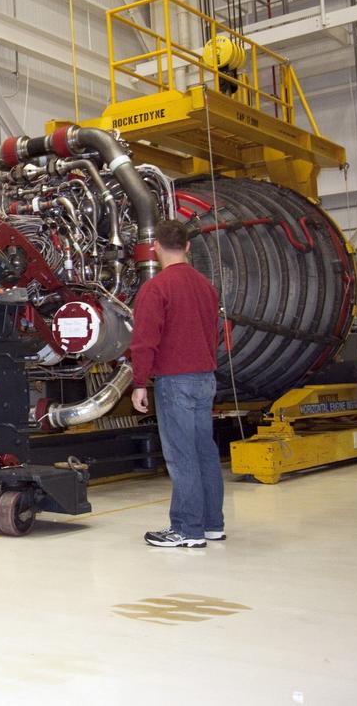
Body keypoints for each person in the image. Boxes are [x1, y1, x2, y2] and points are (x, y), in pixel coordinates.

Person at [130, 219, 224, 549]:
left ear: (155, 247)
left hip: (175, 380)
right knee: (204, 453)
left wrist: (139, 382)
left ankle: (186, 529)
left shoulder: (156, 288)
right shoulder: (206, 286)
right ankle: (212, 524)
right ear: (187, 246)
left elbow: (144, 341)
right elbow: (214, 334)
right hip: (205, 379)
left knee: (182, 456)